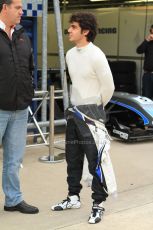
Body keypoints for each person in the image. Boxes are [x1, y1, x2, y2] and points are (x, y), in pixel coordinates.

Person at [51, 12, 115, 224]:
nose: (69, 30)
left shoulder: (97, 55)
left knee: (96, 160)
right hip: (74, 112)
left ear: (85, 31)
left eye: (74, 27)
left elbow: (109, 87)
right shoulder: (70, 54)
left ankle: (98, 204)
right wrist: (77, 107)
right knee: (73, 157)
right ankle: (73, 197)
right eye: (70, 26)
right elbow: (76, 83)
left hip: (92, 113)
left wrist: (95, 108)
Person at [0, 0, 39, 214]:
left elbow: (30, 67)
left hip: (20, 108)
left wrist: (28, 91)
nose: (21, 12)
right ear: (4, 8)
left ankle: (13, 199)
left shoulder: (23, 36)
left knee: (14, 160)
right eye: (17, 8)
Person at [136, 25, 153, 99]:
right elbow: (139, 51)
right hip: (147, 75)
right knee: (146, 98)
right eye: (151, 31)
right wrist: (146, 40)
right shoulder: (148, 43)